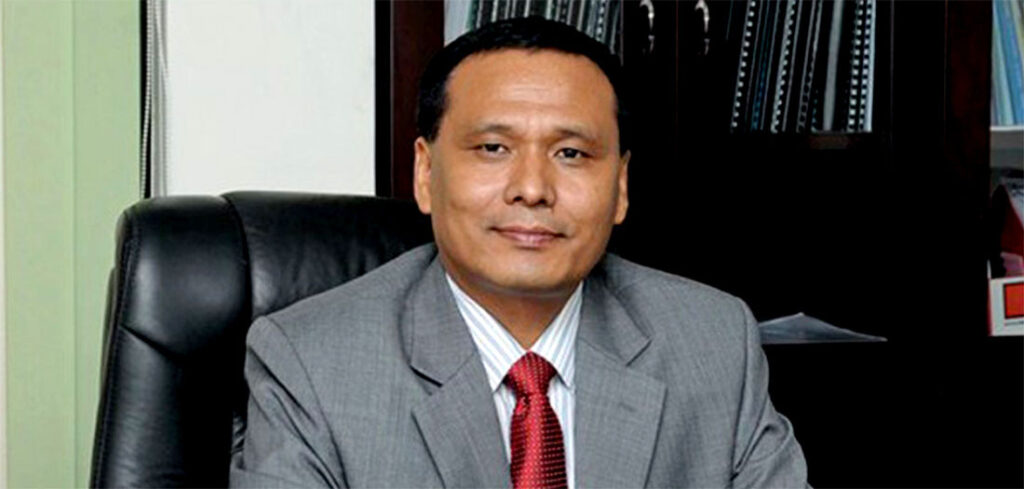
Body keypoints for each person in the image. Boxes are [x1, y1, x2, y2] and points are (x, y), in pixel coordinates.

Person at [230, 17, 807, 488]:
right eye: (493, 147)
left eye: (571, 154)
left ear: (620, 186)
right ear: (426, 173)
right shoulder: (312, 362)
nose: (532, 188)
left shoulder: (712, 340)